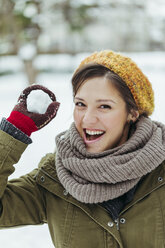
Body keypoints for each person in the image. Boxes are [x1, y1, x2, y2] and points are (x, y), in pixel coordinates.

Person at [0, 50, 165, 248]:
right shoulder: (54, 177)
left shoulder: (160, 171)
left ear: (132, 112)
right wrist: (14, 131)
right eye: (80, 104)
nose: (87, 119)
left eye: (104, 106)